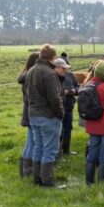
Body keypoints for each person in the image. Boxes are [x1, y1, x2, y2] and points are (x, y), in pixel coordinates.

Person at [25, 44, 64, 187]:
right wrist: (60, 113)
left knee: (38, 147)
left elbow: (27, 95)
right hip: (48, 116)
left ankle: (37, 180)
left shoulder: (31, 71)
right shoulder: (49, 73)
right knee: (49, 149)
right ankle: (48, 182)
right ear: (53, 58)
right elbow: (55, 98)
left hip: (33, 114)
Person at [17, 52, 39, 178]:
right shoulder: (30, 77)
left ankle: (24, 170)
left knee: (30, 141)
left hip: (28, 111)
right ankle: (27, 170)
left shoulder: (25, 75)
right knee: (32, 142)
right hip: (32, 111)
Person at [54, 57, 79, 156]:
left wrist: (74, 90)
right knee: (58, 130)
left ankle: (66, 150)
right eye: (63, 68)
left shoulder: (70, 75)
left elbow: (77, 86)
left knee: (68, 128)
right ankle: (57, 152)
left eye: (66, 68)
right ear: (56, 68)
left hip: (69, 106)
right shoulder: (52, 77)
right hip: (57, 108)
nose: (65, 70)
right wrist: (62, 92)